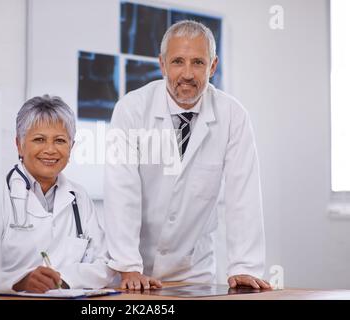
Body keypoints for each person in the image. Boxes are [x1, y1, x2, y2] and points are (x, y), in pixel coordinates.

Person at [104, 20, 270, 290]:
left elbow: (244, 194)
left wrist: (244, 266)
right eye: (178, 61)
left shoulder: (233, 115)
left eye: (198, 63)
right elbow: (121, 189)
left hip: (194, 274)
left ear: (213, 66)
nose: (188, 74)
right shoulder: (131, 109)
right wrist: (127, 265)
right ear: (162, 64)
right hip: (135, 273)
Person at [0, 95, 115, 292]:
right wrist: (19, 282)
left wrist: (64, 279)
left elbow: (105, 263)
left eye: (60, 140)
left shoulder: (79, 197)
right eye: (39, 139)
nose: (50, 150)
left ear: (71, 147)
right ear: (19, 144)